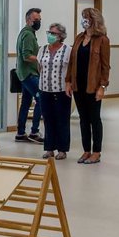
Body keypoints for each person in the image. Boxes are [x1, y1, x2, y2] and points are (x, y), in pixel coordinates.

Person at [65, 8, 110, 165]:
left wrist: (102, 86)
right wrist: (68, 81)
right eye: (83, 17)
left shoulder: (102, 40)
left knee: (94, 119)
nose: (84, 20)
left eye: (86, 17)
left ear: (94, 20)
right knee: (83, 119)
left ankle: (96, 152)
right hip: (78, 85)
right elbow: (71, 62)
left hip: (93, 85)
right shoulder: (79, 38)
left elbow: (105, 66)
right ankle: (86, 150)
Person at [38, 23, 72, 160]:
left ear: (61, 36)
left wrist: (69, 85)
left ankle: (62, 149)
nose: (50, 35)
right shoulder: (43, 49)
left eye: (53, 33)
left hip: (61, 90)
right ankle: (49, 148)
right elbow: (39, 67)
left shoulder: (67, 50)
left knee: (62, 120)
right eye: (49, 32)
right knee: (47, 119)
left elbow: (70, 70)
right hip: (44, 89)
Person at [15, 8, 44, 144]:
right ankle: (34, 131)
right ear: (28, 20)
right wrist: (41, 58)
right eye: (36, 20)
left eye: (39, 20)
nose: (38, 22)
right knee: (41, 99)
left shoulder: (28, 33)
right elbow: (26, 56)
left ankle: (20, 133)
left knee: (26, 103)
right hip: (29, 74)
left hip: (24, 73)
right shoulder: (28, 35)